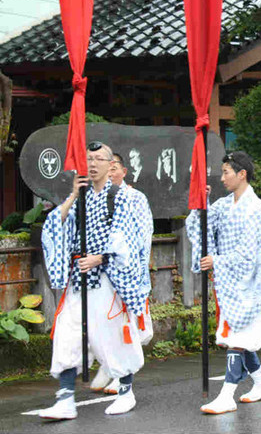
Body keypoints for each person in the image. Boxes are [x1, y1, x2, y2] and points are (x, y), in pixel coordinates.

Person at [38, 142, 148, 419]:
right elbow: (55, 227)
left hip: (109, 279)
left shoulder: (124, 197)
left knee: (113, 336)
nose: (94, 163)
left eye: (100, 158)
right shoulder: (81, 197)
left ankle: (126, 391)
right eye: (89, 158)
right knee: (67, 335)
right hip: (79, 279)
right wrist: (74, 195)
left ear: (112, 165)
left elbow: (131, 238)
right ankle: (65, 399)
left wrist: (100, 257)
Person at [187, 151, 261, 414]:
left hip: (249, 283)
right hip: (229, 281)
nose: (222, 177)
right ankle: (260, 382)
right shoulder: (225, 204)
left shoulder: (255, 208)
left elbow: (250, 255)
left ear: (242, 174)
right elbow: (200, 226)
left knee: (237, 337)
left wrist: (218, 260)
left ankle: (227, 394)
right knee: (240, 336)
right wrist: (200, 201)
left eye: (226, 172)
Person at [90, 153, 155, 395]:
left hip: (127, 270)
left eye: (115, 167)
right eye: (109, 167)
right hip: (101, 272)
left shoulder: (134, 198)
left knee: (126, 324)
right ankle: (109, 366)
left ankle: (121, 375)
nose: (111, 172)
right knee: (104, 322)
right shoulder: (95, 198)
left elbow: (143, 235)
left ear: (124, 171)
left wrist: (133, 265)